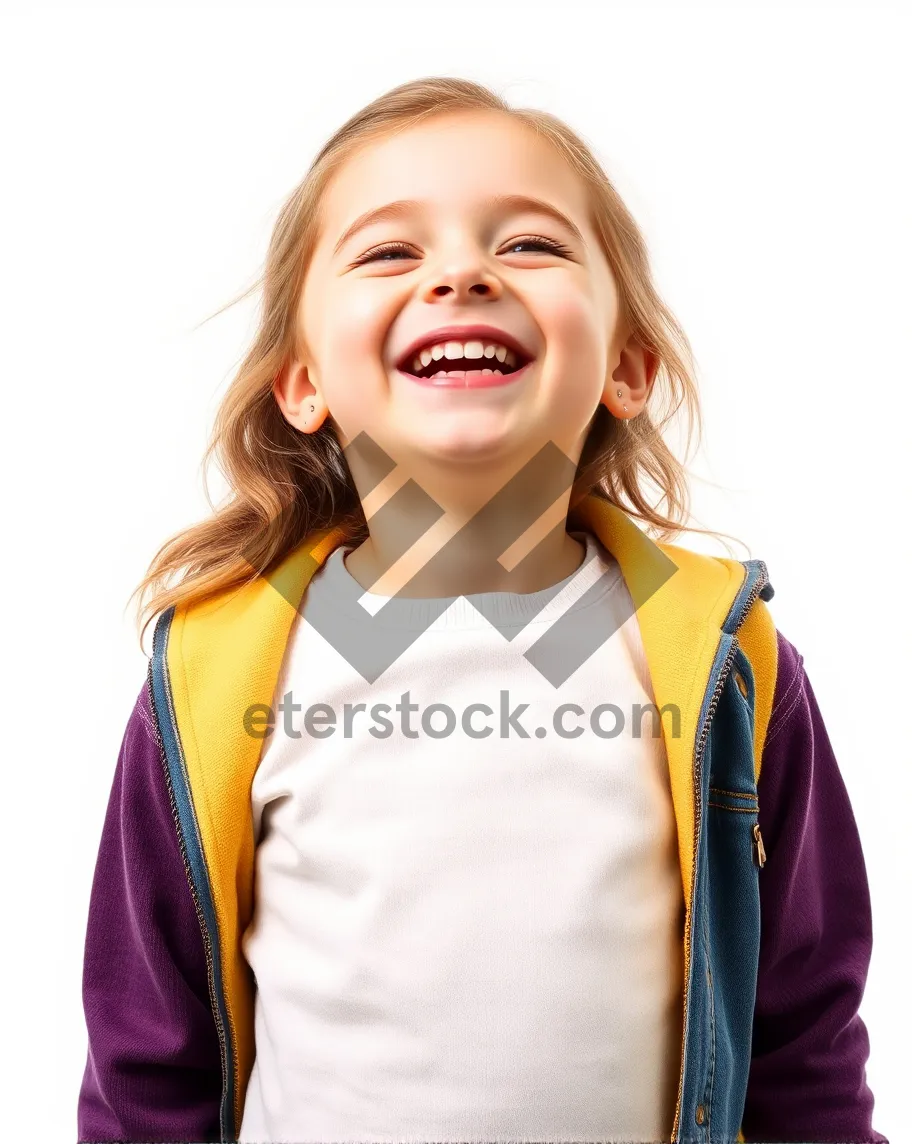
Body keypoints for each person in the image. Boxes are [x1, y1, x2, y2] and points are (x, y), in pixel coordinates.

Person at [76, 75, 887, 1144]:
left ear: (628, 366)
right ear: (303, 380)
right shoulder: (213, 675)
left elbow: (803, 1036)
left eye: (530, 246)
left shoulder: (725, 660)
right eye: (388, 252)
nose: (461, 272)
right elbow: (147, 1059)